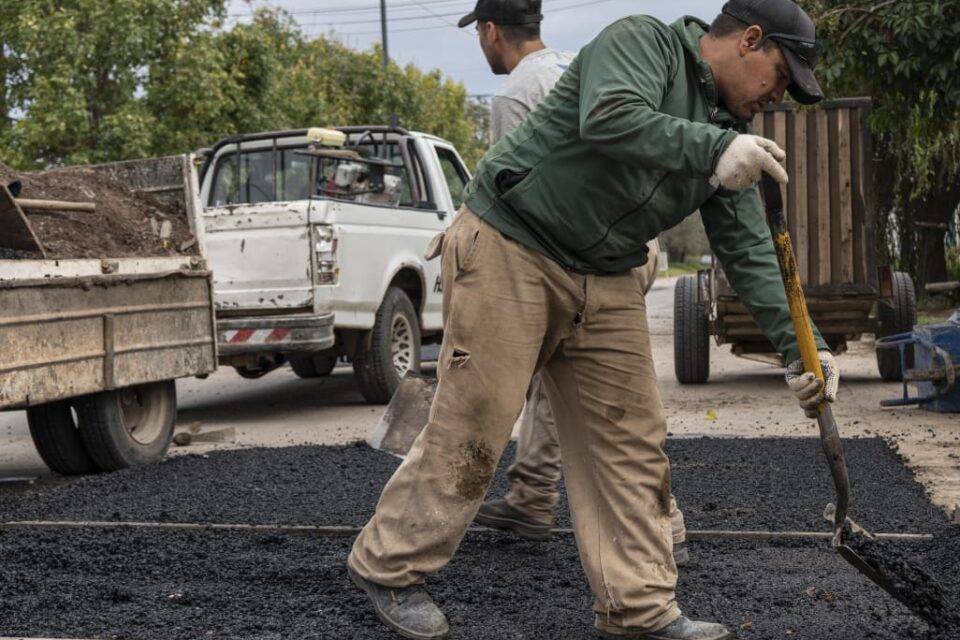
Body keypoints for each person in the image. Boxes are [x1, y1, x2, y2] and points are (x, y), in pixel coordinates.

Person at [347, 1, 838, 638]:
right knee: (477, 421)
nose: (774, 96)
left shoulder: (725, 127)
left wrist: (809, 349)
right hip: (512, 243)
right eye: (778, 75)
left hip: (603, 272)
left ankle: (638, 608)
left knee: (631, 441)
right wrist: (715, 146)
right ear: (748, 40)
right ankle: (390, 565)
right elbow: (610, 116)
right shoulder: (644, 44)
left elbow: (748, 251)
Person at [457, 0, 691, 566]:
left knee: (601, 393)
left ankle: (663, 526)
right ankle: (534, 497)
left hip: (580, 245)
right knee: (569, 381)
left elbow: (520, 191)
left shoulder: (515, 94)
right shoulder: (574, 63)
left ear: (490, 32)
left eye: (479, 34)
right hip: (635, 241)